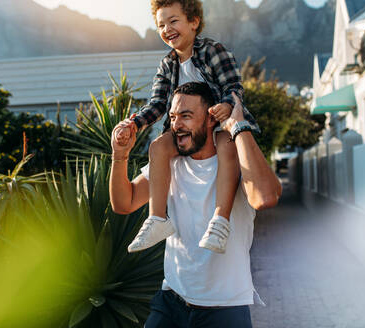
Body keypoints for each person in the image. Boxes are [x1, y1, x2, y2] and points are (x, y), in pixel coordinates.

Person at [110, 82, 282, 328]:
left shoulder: (235, 159)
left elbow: (265, 198)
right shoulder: (169, 164)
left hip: (225, 309)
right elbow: (123, 203)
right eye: (172, 117)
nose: (176, 124)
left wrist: (239, 127)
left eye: (186, 116)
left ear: (211, 118)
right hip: (172, 299)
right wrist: (120, 155)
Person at [115, 0, 260, 254]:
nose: (167, 28)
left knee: (226, 144)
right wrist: (135, 122)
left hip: (219, 123)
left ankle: (220, 221)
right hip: (185, 130)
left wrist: (226, 105)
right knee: (159, 146)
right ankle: (158, 218)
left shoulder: (213, 51)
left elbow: (233, 87)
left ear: (193, 22)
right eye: (161, 24)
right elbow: (158, 103)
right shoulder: (167, 65)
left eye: (173, 21)